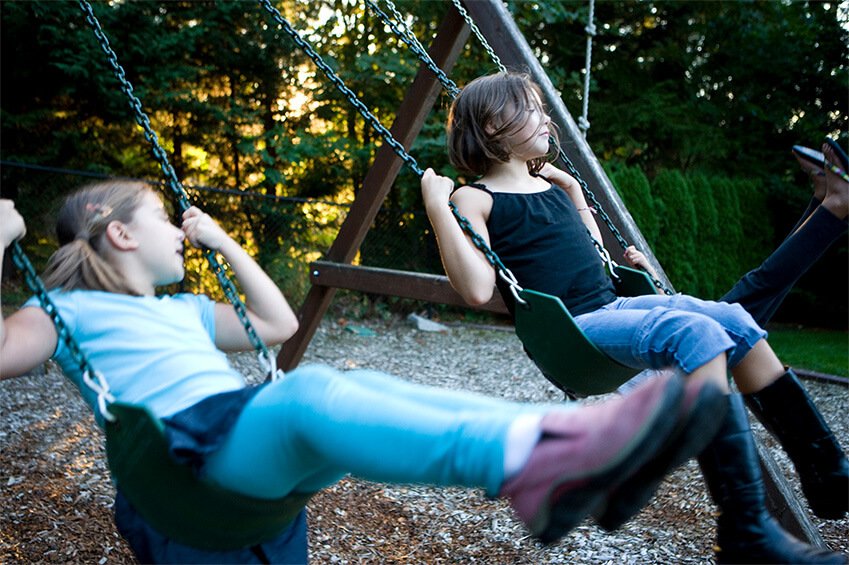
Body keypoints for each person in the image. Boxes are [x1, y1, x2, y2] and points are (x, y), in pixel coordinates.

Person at [0, 182, 725, 564]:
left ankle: (549, 454)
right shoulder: (60, 309)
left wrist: (222, 241)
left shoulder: (184, 308)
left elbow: (277, 323)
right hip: (179, 456)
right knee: (313, 394)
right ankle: (539, 456)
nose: (178, 229)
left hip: (237, 436)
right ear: (119, 231)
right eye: (163, 216)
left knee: (355, 386)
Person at [420, 71, 848, 565]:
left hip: (612, 306)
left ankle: (824, 467)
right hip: (574, 331)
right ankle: (745, 528)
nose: (545, 118)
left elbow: (594, 255)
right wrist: (438, 208)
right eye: (530, 108)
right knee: (697, 333)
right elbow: (476, 288)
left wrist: (575, 195)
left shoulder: (554, 189)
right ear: (493, 127)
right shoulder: (475, 198)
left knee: (733, 319)